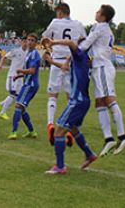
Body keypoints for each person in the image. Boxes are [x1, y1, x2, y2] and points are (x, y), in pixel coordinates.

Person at [79, 5, 125, 156]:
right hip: (98, 67)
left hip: (102, 67)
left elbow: (85, 46)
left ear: (103, 16)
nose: (95, 12)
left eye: (98, 11)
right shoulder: (103, 28)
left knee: (108, 100)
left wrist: (72, 47)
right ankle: (109, 139)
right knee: (100, 103)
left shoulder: (100, 27)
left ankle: (122, 136)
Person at [42, 37, 97, 175]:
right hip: (83, 100)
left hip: (76, 101)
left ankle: (60, 166)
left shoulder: (79, 55)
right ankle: (89, 154)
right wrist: (53, 61)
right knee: (73, 129)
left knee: (59, 131)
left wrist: (53, 42)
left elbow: (70, 43)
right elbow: (66, 67)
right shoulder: (81, 58)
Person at [42, 2, 86, 146]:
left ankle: (50, 124)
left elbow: (45, 38)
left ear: (60, 13)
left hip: (57, 61)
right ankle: (69, 129)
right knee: (70, 97)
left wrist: (47, 49)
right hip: (71, 63)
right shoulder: (78, 24)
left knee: (53, 95)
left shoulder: (55, 22)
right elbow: (84, 41)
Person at [8, 33, 40, 140]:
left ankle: (13, 132)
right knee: (22, 109)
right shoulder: (29, 54)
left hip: (30, 85)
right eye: (28, 40)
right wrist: (20, 76)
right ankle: (32, 131)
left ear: (36, 43)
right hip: (27, 84)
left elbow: (32, 71)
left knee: (18, 106)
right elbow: (29, 72)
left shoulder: (35, 54)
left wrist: (20, 70)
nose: (29, 42)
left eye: (32, 40)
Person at [0, 37, 28, 120]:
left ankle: (1, 104)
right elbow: (4, 57)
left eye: (26, 41)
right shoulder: (15, 51)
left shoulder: (28, 53)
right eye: (24, 41)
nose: (25, 43)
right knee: (13, 94)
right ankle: (2, 112)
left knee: (18, 95)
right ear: (21, 42)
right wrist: (0, 65)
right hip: (12, 76)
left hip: (20, 77)